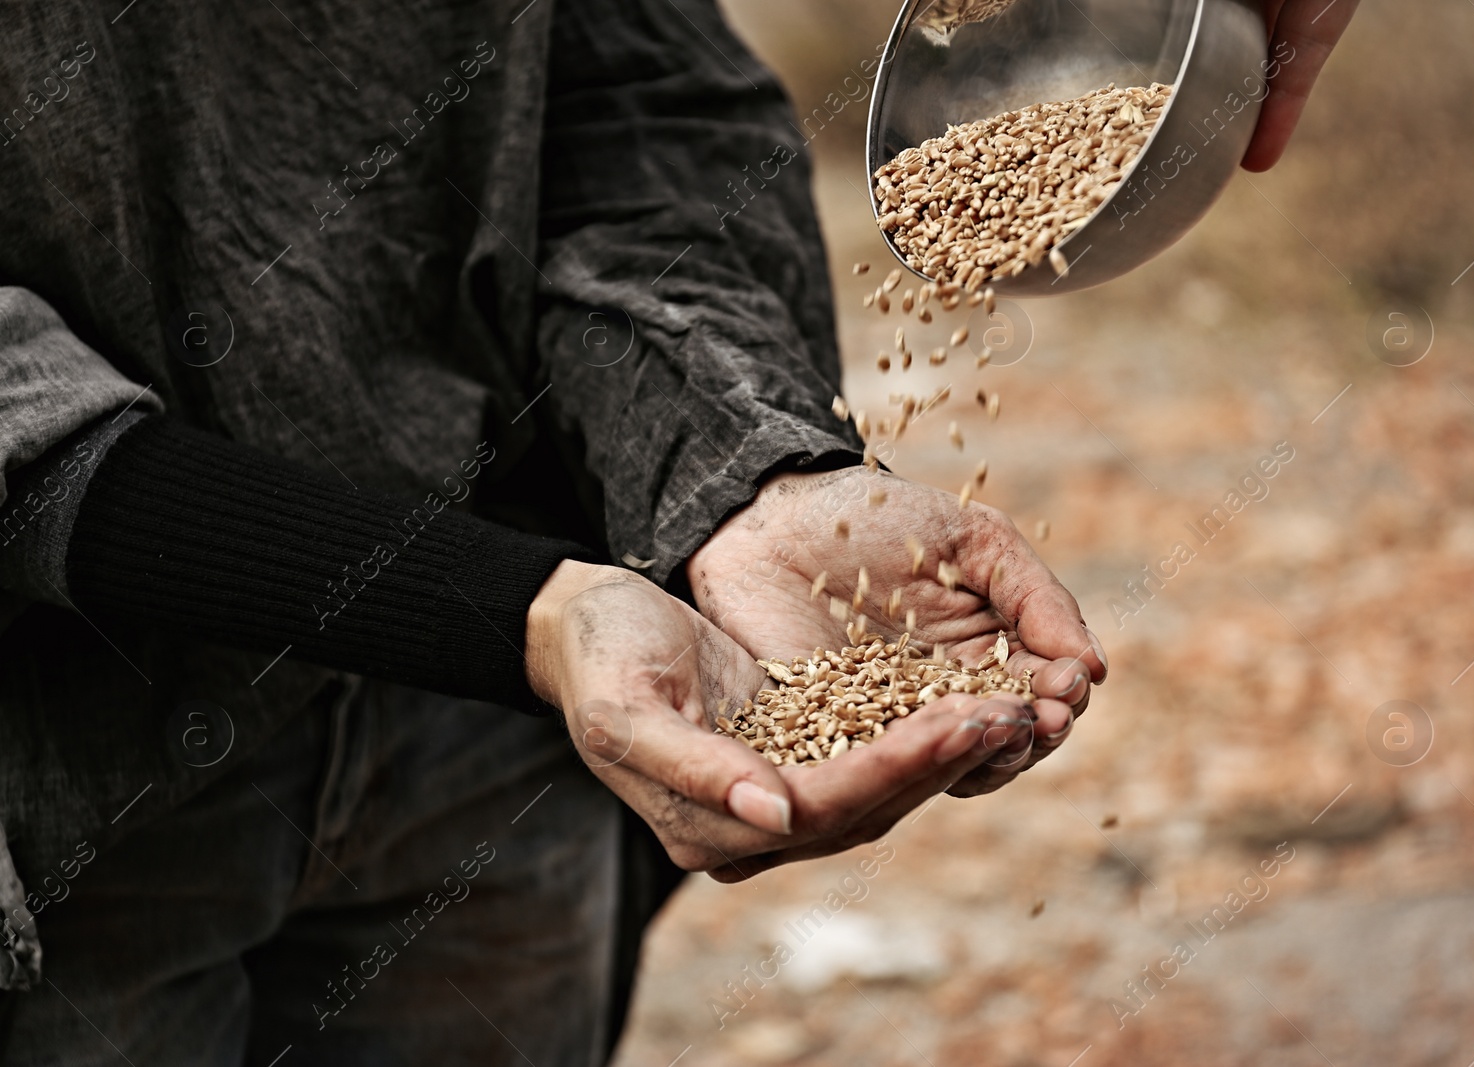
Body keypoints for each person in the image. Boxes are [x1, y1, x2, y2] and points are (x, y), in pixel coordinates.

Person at [0, 0, 1352, 1062]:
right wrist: (520, 612)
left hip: (485, 762)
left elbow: (636, 109)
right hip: (71, 781)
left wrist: (748, 474)